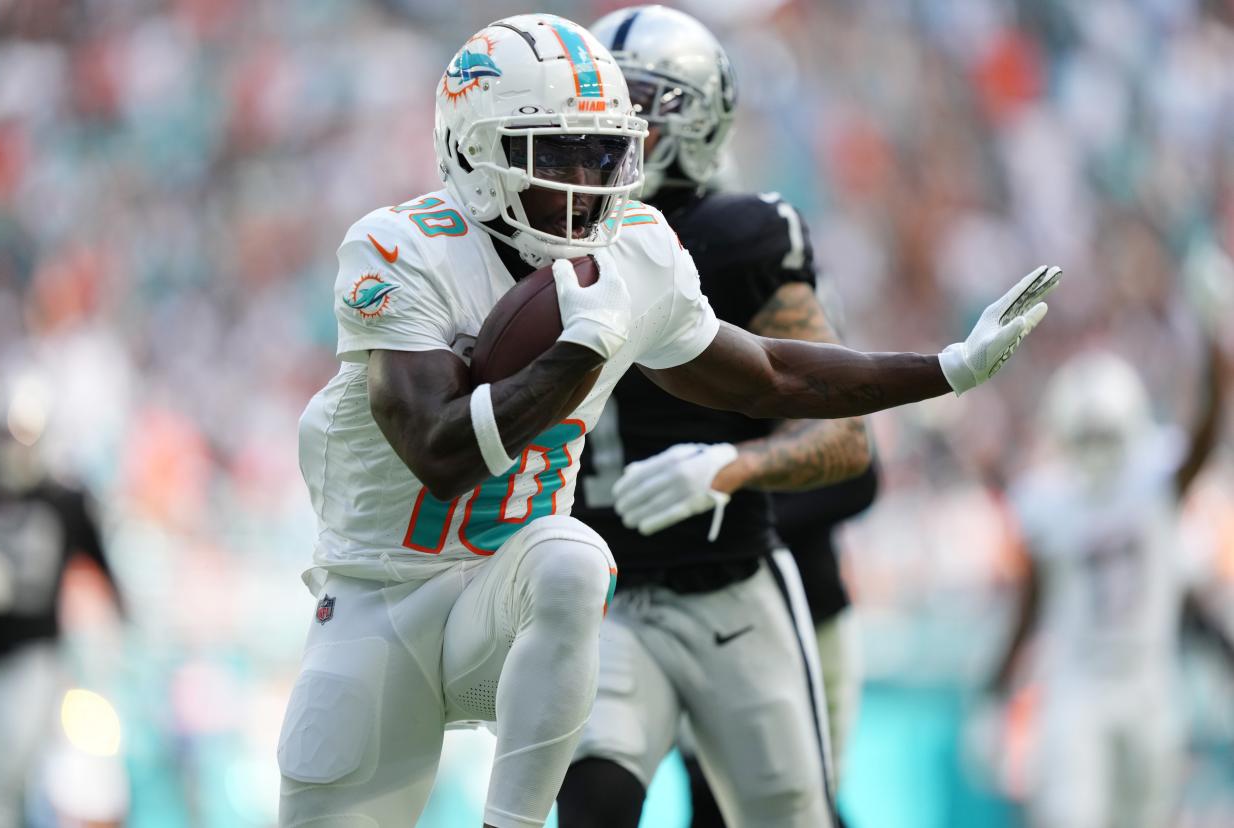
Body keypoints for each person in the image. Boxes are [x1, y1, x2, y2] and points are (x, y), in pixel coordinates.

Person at [276, 13, 1060, 828]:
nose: (591, 181)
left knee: (573, 560)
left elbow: (770, 373)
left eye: (606, 151)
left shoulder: (634, 250)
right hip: (383, 597)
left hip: (502, 596)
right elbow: (440, 453)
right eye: (561, 154)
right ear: (480, 154)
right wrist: (583, 348)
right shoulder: (400, 250)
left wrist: (946, 368)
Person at [556, 8, 870, 827]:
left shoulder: (740, 237)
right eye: (598, 103)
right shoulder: (542, 239)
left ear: (693, 118)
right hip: (606, 596)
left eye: (636, 105)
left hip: (734, 589)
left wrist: (728, 469)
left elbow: (847, 440)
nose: (609, 127)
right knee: (592, 802)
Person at [989, 283, 1227, 828]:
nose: (1097, 450)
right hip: (1079, 687)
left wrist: (1215, 345)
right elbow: (1031, 604)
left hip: (1148, 684)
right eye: (1086, 436)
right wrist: (995, 691)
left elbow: (1207, 430)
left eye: (1105, 435)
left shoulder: (1155, 479)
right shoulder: (1049, 501)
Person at [0, 371, 124, 825]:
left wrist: (123, 622)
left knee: (13, 768)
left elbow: (102, 567)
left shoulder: (64, 500)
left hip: (34, 655)